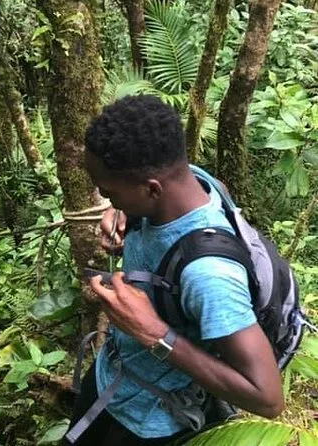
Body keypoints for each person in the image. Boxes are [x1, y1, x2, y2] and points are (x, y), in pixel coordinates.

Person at [66, 95, 283, 445]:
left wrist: (155, 334)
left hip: (149, 420)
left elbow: (268, 398)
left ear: (152, 189)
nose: (108, 201)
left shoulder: (210, 276)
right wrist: (124, 215)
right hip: (112, 377)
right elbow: (154, 204)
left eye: (110, 193)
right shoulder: (192, 180)